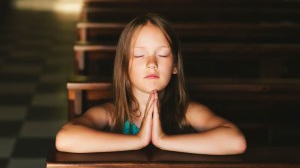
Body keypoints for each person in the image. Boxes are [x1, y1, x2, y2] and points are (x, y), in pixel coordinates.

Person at [55, 13, 246, 155]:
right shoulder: (111, 114)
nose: (152, 63)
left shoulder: (187, 112)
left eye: (162, 54)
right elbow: (66, 138)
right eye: (139, 55)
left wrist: (163, 140)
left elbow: (235, 141)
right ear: (123, 66)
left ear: (175, 66)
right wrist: (138, 140)